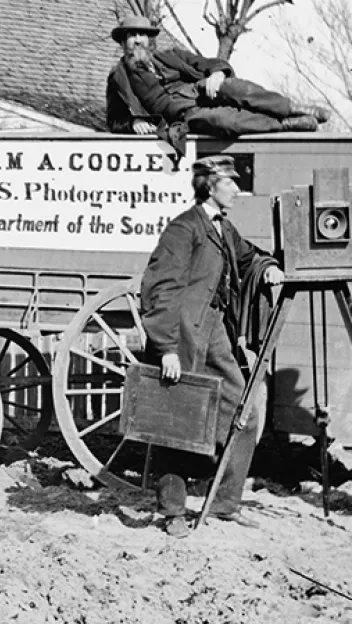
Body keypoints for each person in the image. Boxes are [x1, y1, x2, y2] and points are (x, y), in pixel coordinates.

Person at [139, 155, 283, 538]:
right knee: (177, 420)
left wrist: (267, 268)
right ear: (208, 185)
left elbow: (248, 256)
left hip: (214, 332)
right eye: (230, 182)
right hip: (183, 336)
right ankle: (172, 512)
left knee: (245, 409)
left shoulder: (222, 228)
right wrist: (167, 348)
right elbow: (161, 287)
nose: (237, 189)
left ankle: (225, 502)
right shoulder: (184, 229)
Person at [107, 15, 328, 140]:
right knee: (224, 121)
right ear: (123, 42)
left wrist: (218, 73)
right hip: (182, 114)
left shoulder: (171, 55)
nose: (137, 40)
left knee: (234, 87)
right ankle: (285, 124)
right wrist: (133, 122)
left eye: (142, 35)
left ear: (150, 39)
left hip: (200, 90)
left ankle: (295, 108)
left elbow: (208, 64)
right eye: (131, 36)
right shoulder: (118, 78)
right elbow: (115, 121)